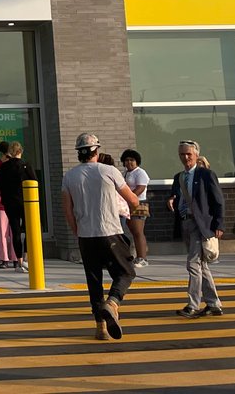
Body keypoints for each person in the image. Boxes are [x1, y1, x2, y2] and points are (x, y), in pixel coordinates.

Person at [62, 133, 139, 341]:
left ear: (79, 153)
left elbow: (67, 209)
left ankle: (100, 328)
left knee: (94, 279)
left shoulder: (69, 176)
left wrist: (76, 229)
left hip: (86, 236)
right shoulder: (109, 171)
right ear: (97, 150)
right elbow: (132, 200)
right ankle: (113, 302)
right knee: (126, 272)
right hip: (110, 231)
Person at [169, 140, 224, 317]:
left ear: (196, 155)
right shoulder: (179, 177)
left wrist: (218, 224)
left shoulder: (205, 175)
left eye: (188, 154)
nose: (185, 158)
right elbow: (177, 195)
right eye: (182, 154)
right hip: (185, 222)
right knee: (201, 265)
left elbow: (218, 200)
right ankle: (213, 303)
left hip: (201, 223)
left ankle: (193, 304)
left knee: (193, 264)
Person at [0, 140, 37, 272]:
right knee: (29, 230)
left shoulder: (4, 167)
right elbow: (34, 182)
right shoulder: (26, 165)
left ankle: (19, 261)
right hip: (26, 202)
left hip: (10, 202)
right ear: (20, 151)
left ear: (10, 153)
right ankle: (26, 258)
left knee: (16, 231)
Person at [120, 149, 150, 268]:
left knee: (138, 232)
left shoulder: (140, 173)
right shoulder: (125, 173)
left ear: (137, 161)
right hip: (127, 204)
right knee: (132, 231)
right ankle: (136, 256)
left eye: (132, 160)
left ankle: (142, 258)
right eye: (126, 160)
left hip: (139, 203)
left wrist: (129, 197)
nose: (129, 163)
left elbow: (141, 188)